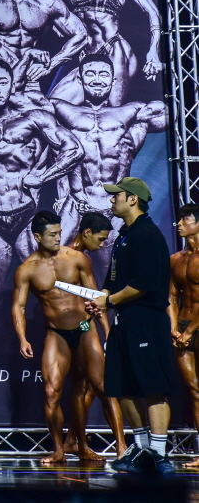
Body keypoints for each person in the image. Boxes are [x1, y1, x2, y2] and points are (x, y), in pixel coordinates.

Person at [0, 60, 83, 331]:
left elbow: (74, 150)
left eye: (3, 82)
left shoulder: (33, 118)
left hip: (26, 218)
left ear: (12, 85)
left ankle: (59, 344)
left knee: (51, 290)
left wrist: (42, 177)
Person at [85, 177, 175, 474]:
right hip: (124, 321)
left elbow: (143, 284)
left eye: (117, 196)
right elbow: (114, 281)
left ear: (133, 199)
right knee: (122, 385)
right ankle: (141, 448)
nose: (112, 200)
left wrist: (109, 301)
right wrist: (100, 298)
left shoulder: (147, 235)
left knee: (153, 387)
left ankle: (158, 455)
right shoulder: (125, 235)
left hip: (147, 321)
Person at [11, 211, 106, 464]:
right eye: (52, 234)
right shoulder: (27, 269)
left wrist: (107, 331)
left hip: (84, 328)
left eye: (59, 233)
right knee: (52, 391)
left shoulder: (76, 258)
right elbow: (19, 306)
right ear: (37, 237)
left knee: (99, 387)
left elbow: (96, 297)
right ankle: (58, 450)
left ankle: (90, 446)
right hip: (56, 333)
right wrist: (22, 338)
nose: (58, 238)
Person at [50, 55, 167, 253]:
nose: (97, 80)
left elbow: (167, 113)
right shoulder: (62, 110)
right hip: (76, 205)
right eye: (90, 74)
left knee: (112, 267)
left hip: (113, 207)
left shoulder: (130, 112)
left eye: (103, 74)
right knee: (56, 262)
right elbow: (26, 108)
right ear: (80, 79)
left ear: (113, 81)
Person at [64, 211, 127, 460]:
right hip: (78, 329)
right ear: (86, 233)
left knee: (84, 386)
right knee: (102, 386)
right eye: (100, 239)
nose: (101, 245)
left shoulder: (75, 256)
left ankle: (73, 441)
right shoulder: (76, 257)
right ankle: (121, 447)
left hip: (78, 328)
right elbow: (95, 301)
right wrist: (108, 332)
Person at [170, 204, 199, 457]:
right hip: (181, 326)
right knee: (195, 392)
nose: (179, 224)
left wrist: (190, 332)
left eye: (185, 219)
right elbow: (171, 295)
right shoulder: (176, 259)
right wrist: (173, 327)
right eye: (178, 220)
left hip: (195, 327)